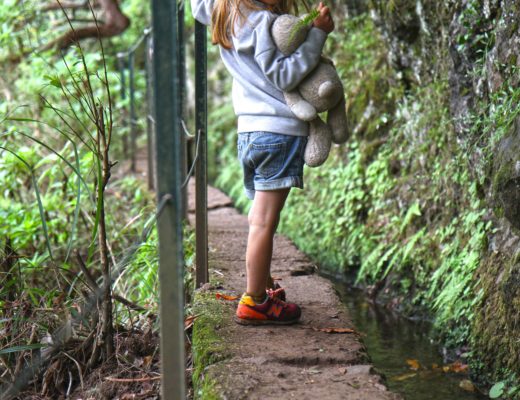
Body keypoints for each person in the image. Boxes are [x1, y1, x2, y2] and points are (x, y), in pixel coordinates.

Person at [191, 0, 334, 325]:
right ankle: (254, 301)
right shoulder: (263, 23)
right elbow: (283, 76)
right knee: (264, 222)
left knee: (259, 216)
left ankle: (262, 282)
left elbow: (195, 5)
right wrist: (317, 36)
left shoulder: (223, 13)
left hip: (250, 132)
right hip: (278, 130)